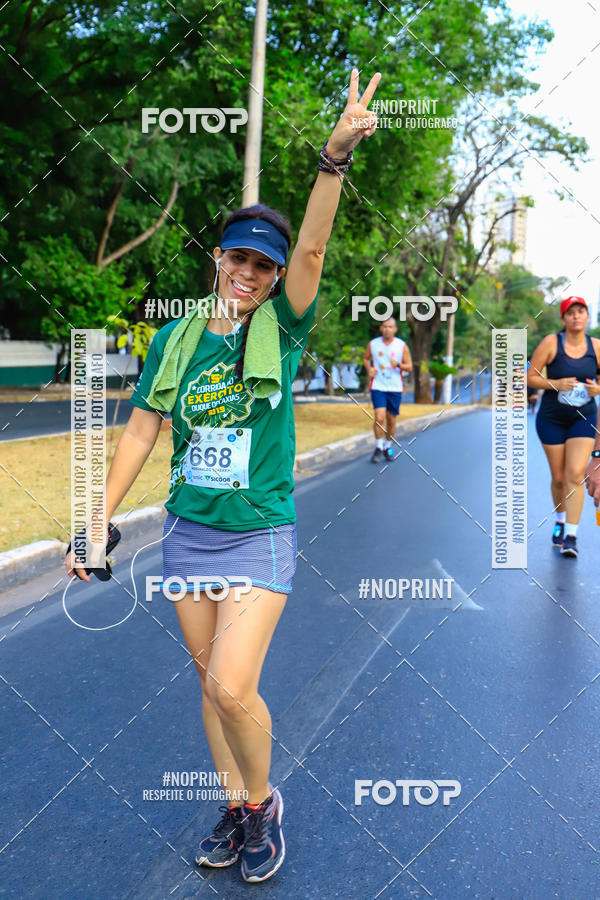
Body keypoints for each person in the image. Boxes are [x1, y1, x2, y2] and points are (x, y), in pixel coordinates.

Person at [64, 68, 381, 883]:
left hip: (261, 531)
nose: (250, 273)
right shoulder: (177, 340)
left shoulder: (282, 321)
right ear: (219, 258)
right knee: (210, 688)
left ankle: (264, 800)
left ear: (277, 277)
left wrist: (332, 161)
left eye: (263, 266)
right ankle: (236, 807)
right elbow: (140, 429)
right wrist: (94, 518)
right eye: (240, 258)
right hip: (188, 532)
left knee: (236, 686)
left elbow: (312, 242)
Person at [527, 296, 600, 557]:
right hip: (552, 418)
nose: (576, 316)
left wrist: (597, 389)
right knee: (558, 478)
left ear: (587, 317)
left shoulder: (596, 347)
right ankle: (560, 519)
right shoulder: (551, 343)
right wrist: (555, 384)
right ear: (563, 319)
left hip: (584, 418)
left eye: (581, 311)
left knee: (575, 474)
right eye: (571, 313)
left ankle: (571, 536)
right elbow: (531, 377)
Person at [363, 317, 412, 462]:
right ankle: (378, 447)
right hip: (378, 385)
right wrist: (369, 368)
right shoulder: (373, 344)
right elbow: (366, 358)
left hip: (395, 387)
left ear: (395, 329)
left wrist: (398, 365)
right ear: (380, 328)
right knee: (379, 417)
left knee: (391, 420)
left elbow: (409, 366)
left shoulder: (401, 346)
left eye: (390, 327)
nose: (387, 329)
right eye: (384, 326)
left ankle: (387, 447)